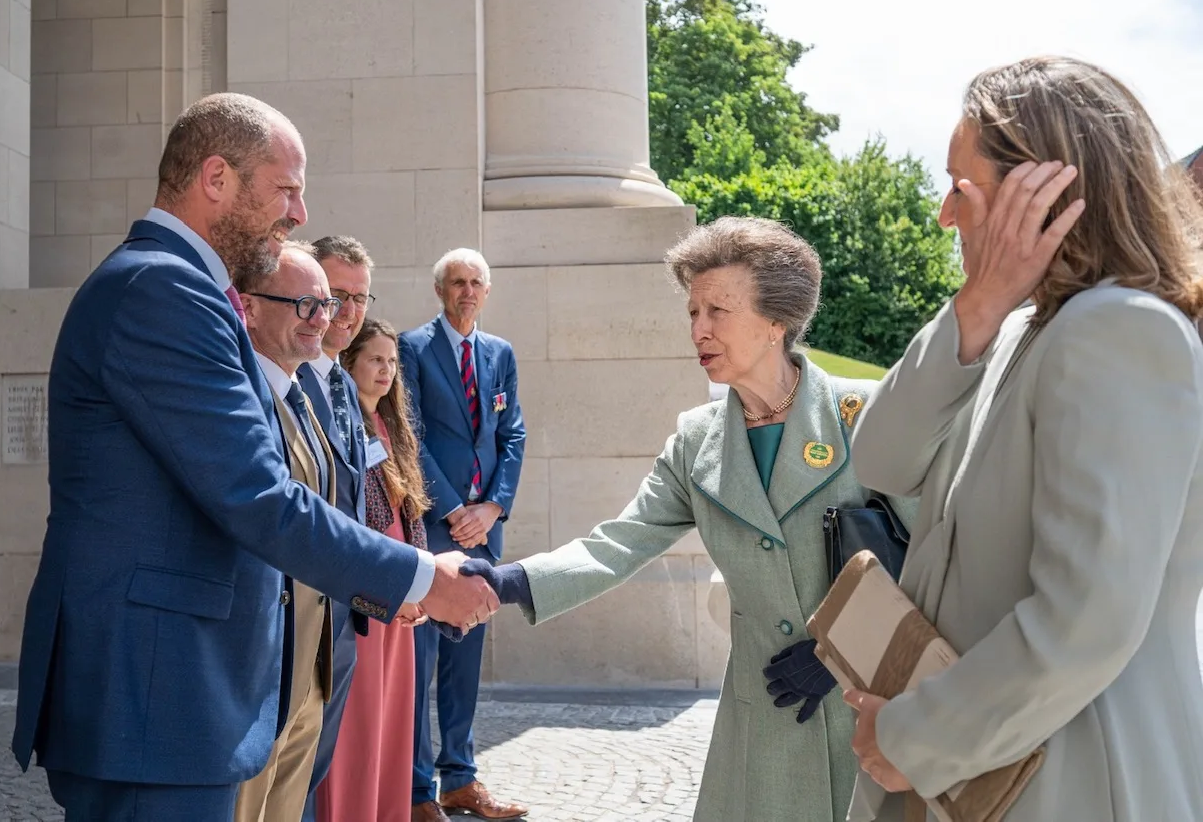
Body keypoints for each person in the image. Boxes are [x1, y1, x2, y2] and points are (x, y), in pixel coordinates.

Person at [11, 92, 498, 819]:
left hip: (179, 695)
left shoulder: (180, 286)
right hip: (157, 697)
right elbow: (258, 495)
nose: (299, 213)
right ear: (216, 178)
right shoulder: (161, 288)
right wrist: (422, 577)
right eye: (286, 189)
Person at [460, 217, 916, 821]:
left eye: (718, 311)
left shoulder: (862, 415)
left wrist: (839, 653)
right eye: (693, 312)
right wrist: (509, 581)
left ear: (777, 321)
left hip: (869, 716)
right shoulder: (696, 441)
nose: (699, 329)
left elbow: (930, 551)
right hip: (762, 717)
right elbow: (621, 542)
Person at [844, 56, 1203, 821]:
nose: (944, 214)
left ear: (1040, 196)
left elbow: (1088, 619)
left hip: (1071, 779)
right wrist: (976, 308)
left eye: (960, 186)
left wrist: (913, 736)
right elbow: (880, 460)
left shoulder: (1118, 329)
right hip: (984, 770)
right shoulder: (1014, 332)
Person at [399, 249, 529, 822]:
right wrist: (455, 510)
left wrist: (494, 507)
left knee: (464, 662)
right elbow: (410, 434)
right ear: (440, 290)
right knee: (420, 662)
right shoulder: (412, 349)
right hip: (433, 528)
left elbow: (512, 433)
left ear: (488, 290)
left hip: (484, 531)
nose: (467, 291)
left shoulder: (500, 353)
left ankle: (460, 778)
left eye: (477, 282)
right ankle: (417, 790)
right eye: (457, 282)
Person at [233, 240, 344, 821]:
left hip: (310, 665)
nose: (322, 318)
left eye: (327, 304)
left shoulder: (302, 393)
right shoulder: (240, 396)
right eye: (304, 304)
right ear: (249, 307)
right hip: (259, 671)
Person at [317, 319, 432, 822]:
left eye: (392, 362)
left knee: (392, 718)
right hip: (368, 591)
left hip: (403, 591)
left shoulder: (392, 426)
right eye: (375, 360)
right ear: (350, 363)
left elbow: (413, 511)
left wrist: (420, 586)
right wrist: (392, 587)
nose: (386, 371)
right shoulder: (339, 423)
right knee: (359, 722)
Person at [296, 235, 376, 822]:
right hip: (298, 607)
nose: (347, 311)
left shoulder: (344, 384)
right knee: (284, 770)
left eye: (360, 297)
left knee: (315, 761)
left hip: (344, 612)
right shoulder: (285, 379)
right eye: (336, 295)